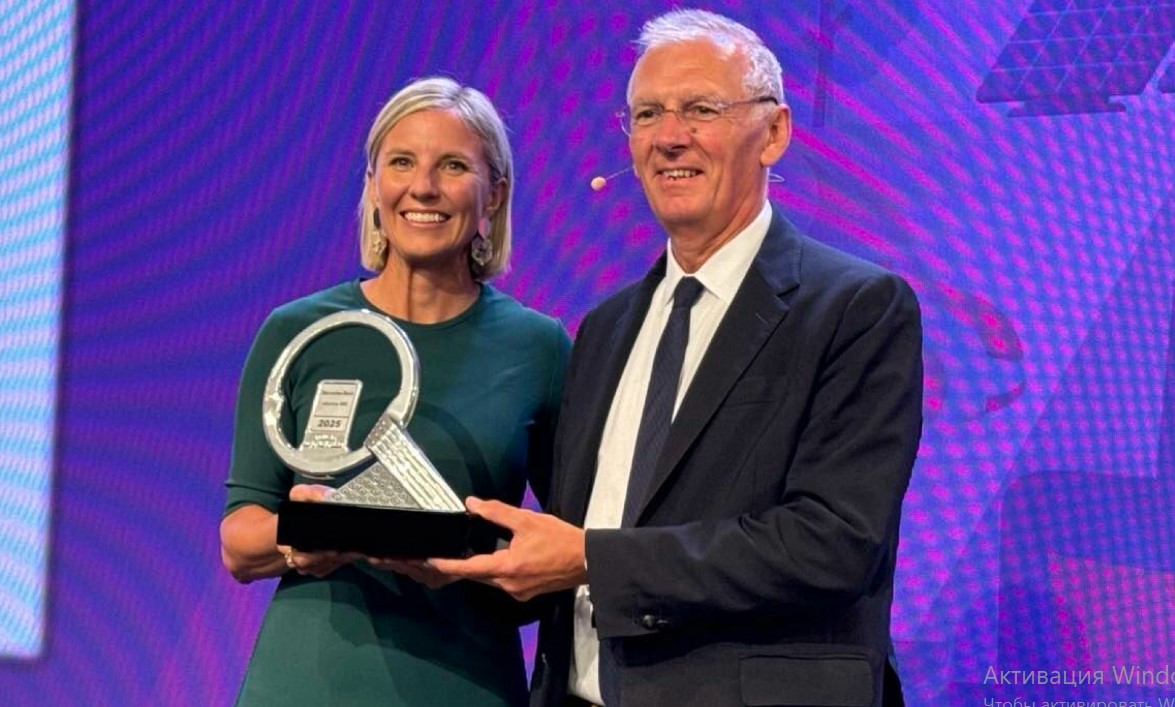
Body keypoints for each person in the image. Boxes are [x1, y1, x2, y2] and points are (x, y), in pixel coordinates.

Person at [430, 10, 923, 707]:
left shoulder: (855, 309)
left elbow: (833, 544)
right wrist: (412, 543)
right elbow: (565, 548)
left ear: (774, 132)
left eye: (700, 109)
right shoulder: (605, 330)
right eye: (647, 114)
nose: (668, 137)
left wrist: (590, 558)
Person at [219, 76, 570, 707]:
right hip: (303, 686)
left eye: (453, 165)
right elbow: (240, 540)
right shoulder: (298, 332)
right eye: (401, 162)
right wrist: (303, 539)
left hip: (464, 683)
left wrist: (469, 558)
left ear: (494, 195)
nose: (423, 187)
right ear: (374, 185)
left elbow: (566, 554)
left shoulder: (538, 348)